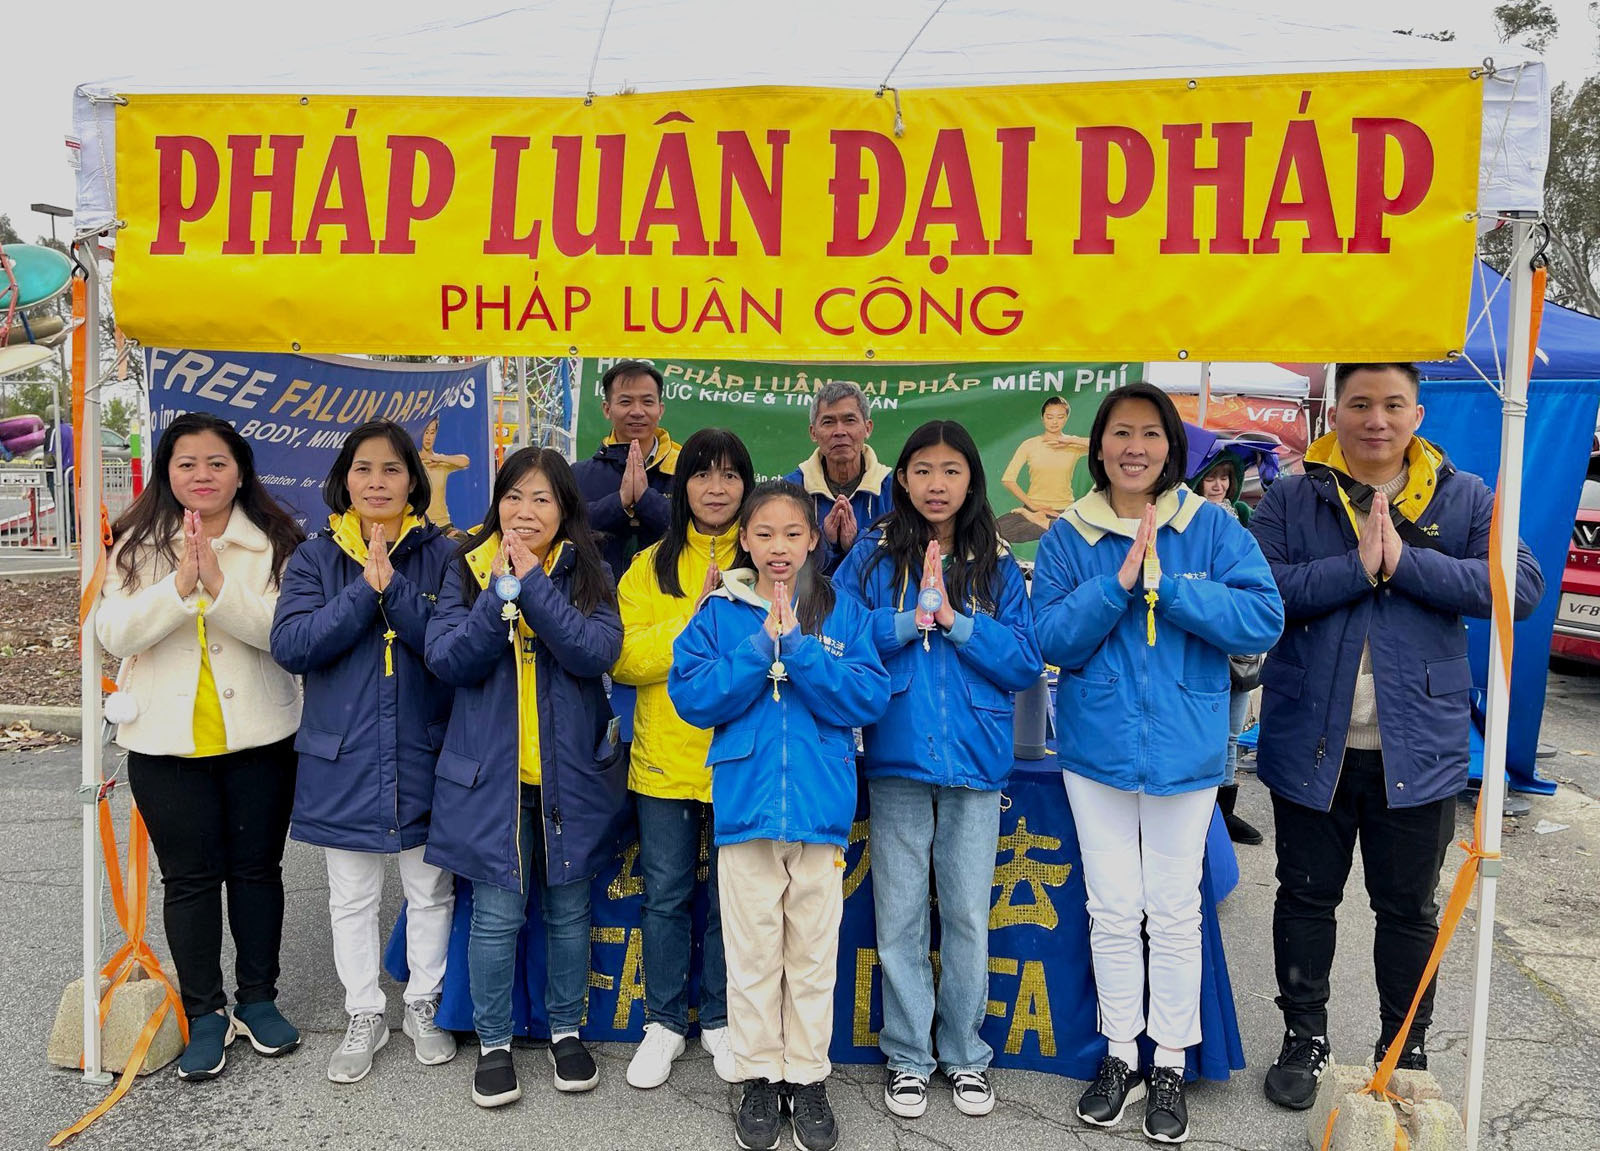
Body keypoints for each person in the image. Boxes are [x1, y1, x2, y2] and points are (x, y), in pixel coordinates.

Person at [1250, 363, 1543, 1110]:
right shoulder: (1291, 496)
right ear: (1335, 412)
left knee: (1408, 909)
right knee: (1305, 895)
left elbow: (1519, 586)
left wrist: (1406, 563)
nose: (1375, 419)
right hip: (1310, 739)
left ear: (1417, 413)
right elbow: (1262, 591)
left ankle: (1402, 1046)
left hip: (1420, 748)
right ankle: (1305, 1037)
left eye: (1391, 404)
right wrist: (1357, 568)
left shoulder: (1464, 496)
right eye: (1359, 403)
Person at [1032, 383, 1283, 1144]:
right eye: (1120, 432)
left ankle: (1168, 1060)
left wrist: (1168, 589)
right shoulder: (1070, 534)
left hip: (1185, 750)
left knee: (1174, 911)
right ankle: (1119, 1054)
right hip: (1096, 752)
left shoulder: (1209, 525)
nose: (1133, 447)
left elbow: (1262, 616)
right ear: (1098, 445)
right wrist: (1117, 587)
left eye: (1149, 433)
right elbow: (1051, 637)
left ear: (1171, 446)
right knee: (1111, 907)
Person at [669, 480, 889, 1151]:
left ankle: (808, 1076)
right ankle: (760, 1075)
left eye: (793, 533)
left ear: (814, 539)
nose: (778, 547)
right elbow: (692, 696)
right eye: (763, 533)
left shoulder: (841, 611)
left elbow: (868, 696)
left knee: (813, 955)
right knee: (753, 952)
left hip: (820, 811)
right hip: (747, 808)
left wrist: (799, 648)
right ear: (744, 540)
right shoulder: (721, 612)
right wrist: (756, 647)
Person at [836, 421, 1042, 1121]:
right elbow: (837, 634)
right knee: (897, 916)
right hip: (896, 757)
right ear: (902, 479)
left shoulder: (996, 560)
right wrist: (905, 623)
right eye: (922, 470)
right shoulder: (872, 555)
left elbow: (1024, 659)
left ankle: (964, 1053)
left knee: (966, 916)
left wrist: (956, 621)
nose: (936, 484)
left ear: (971, 480)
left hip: (976, 763)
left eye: (951, 470)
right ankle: (907, 1056)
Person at [95, 412, 306, 1082]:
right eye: (186, 463)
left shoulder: (275, 540)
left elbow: (286, 636)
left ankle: (259, 998)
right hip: (164, 745)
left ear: (240, 472)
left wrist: (219, 582)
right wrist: (177, 584)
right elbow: (114, 634)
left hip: (262, 739)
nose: (202, 475)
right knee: (187, 880)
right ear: (167, 472)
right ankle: (205, 1011)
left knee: (257, 871)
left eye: (217, 462)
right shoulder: (134, 543)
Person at [423, 447, 626, 1109]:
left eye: (542, 498)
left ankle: (566, 1030)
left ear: (565, 508)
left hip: (571, 778)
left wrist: (533, 583)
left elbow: (596, 651)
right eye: (514, 496)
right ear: (497, 503)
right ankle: (493, 1043)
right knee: (496, 915)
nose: (526, 510)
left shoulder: (589, 569)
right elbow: (447, 658)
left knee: (569, 910)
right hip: (491, 781)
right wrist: (497, 596)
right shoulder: (465, 565)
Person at [269, 421, 459, 1084]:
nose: (377, 481)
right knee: (351, 895)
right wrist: (362, 591)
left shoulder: (443, 554)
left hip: (423, 750)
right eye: (363, 468)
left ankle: (424, 1004)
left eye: (391, 469)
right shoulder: (314, 557)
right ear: (344, 480)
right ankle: (364, 1012)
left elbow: (450, 645)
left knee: (429, 889)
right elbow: (292, 645)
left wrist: (395, 591)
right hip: (342, 755)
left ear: (413, 480)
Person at [612, 429, 753, 1089]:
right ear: (681, 486)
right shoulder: (649, 565)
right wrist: (692, 623)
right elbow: (623, 657)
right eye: (701, 474)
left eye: (729, 475)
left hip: (740, 757)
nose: (716, 489)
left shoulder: (765, 558)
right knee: (665, 895)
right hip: (665, 759)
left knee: (732, 899)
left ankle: (721, 1017)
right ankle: (665, 1021)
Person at [1186, 452, 1264, 846]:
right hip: (1200, 639)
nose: (1218, 485)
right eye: (1210, 477)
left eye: (1225, 477)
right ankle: (1199, 814)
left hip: (1237, 642)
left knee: (1232, 732)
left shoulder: (1243, 519)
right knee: (1203, 732)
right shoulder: (1186, 523)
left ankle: (1224, 813)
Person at [572, 360, 682, 575]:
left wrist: (645, 499)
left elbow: (695, 528)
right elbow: (567, 527)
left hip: (668, 590)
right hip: (598, 591)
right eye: (625, 402)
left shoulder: (685, 470)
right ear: (607, 409)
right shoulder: (578, 475)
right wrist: (619, 502)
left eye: (647, 402)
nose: (637, 411)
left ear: (660, 409)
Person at [783, 381, 895, 574]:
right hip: (807, 592)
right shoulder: (789, 491)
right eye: (828, 422)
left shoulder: (892, 491)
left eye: (849, 420)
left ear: (867, 428)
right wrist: (824, 541)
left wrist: (857, 541)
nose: (839, 431)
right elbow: (781, 559)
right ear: (813, 433)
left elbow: (897, 564)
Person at [997, 397, 1092, 544]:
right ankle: (1047, 525)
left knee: (1081, 532)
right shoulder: (1029, 444)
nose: (1054, 422)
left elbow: (1105, 446)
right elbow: (1008, 480)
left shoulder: (1073, 445)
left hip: (1062, 510)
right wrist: (1032, 506)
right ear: (1042, 418)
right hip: (1033, 509)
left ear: (1066, 418)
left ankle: (1048, 525)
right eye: (1049, 417)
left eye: (1060, 417)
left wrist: (1071, 440)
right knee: (993, 529)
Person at [418, 415, 470, 530]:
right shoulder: (412, 461)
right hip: (420, 526)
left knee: (462, 539)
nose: (428, 437)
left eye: (432, 432)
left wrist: (440, 459)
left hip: (443, 524)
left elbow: (465, 461)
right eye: (426, 432)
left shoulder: (440, 461)